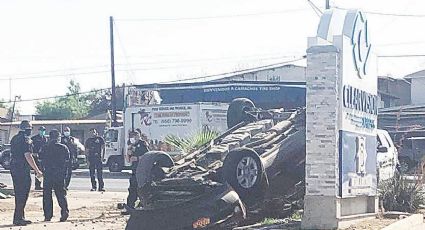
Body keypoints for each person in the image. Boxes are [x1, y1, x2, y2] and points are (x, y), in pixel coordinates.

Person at [10, 120, 43, 226]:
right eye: (31, 128)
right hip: (22, 168)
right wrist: (37, 170)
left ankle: (19, 217)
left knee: (18, 192)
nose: (31, 130)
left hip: (14, 167)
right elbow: (28, 155)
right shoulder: (26, 139)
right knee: (23, 193)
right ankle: (18, 218)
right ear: (27, 128)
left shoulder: (14, 138)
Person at [41, 129, 70, 222]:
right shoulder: (63, 147)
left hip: (48, 173)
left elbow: (41, 160)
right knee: (61, 194)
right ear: (58, 137)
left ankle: (48, 215)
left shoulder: (45, 147)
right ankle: (64, 211)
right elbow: (68, 161)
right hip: (59, 174)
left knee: (47, 195)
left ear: (49, 137)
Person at [122, 130, 149, 215]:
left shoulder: (143, 144)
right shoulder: (131, 145)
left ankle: (144, 206)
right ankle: (130, 207)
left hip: (142, 170)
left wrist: (137, 158)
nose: (134, 137)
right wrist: (128, 152)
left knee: (142, 189)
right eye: (133, 136)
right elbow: (128, 160)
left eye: (136, 135)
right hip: (134, 170)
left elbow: (147, 156)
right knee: (132, 189)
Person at [31, 126, 48, 190]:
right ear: (39, 131)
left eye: (43, 130)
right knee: (38, 171)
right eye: (41, 130)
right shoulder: (34, 138)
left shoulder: (45, 139)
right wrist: (33, 153)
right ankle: (37, 186)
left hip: (43, 157)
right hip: (35, 156)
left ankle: (41, 184)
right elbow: (30, 147)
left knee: (43, 171)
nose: (42, 131)